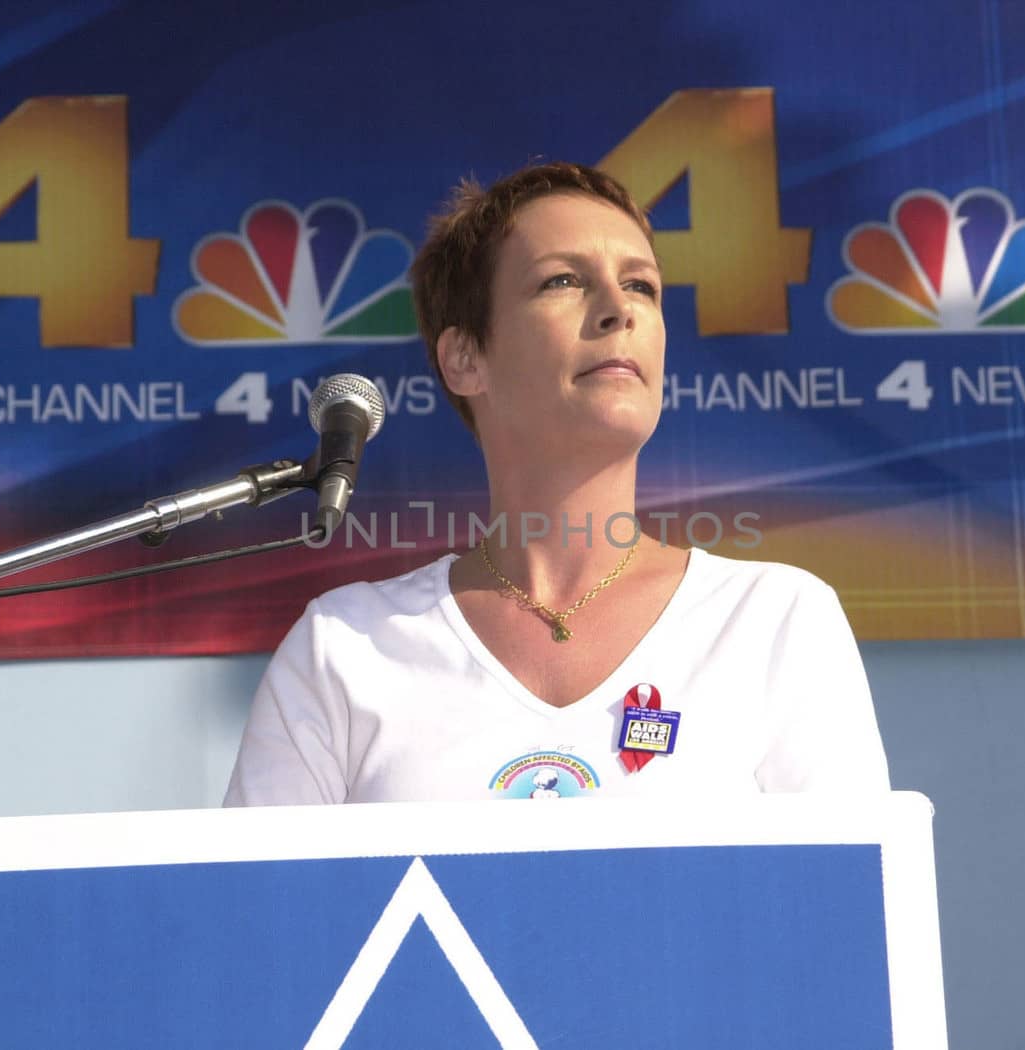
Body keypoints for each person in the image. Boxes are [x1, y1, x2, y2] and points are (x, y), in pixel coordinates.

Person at [223, 162, 888, 805]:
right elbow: (260, 913)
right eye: (564, 281)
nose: (618, 311)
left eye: (642, 287)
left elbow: (849, 906)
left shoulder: (774, 621)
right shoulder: (345, 648)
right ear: (464, 357)